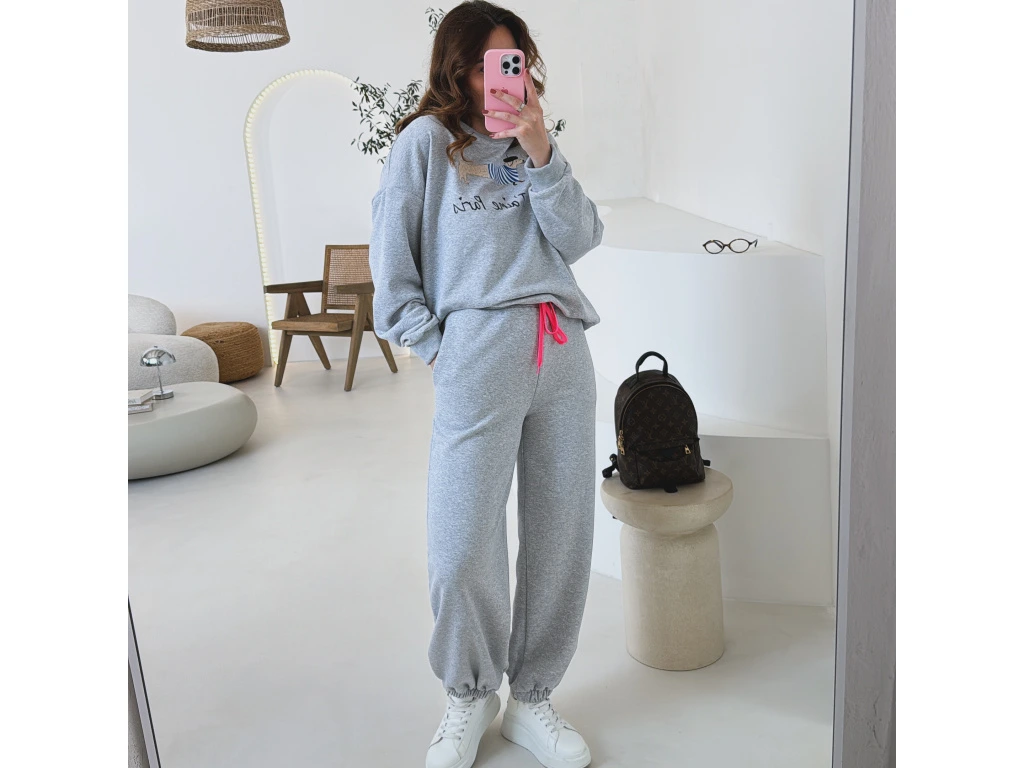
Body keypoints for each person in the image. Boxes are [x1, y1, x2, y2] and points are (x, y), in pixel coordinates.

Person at [368, 3, 603, 767]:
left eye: (511, 61)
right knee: (463, 541)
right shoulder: (424, 144)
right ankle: (470, 694)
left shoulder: (534, 144)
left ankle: (532, 697)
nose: (496, 78)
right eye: (481, 64)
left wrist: (541, 153)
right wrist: (441, 346)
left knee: (561, 534)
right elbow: (392, 270)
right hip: (478, 353)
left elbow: (580, 239)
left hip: (560, 350)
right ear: (456, 66)